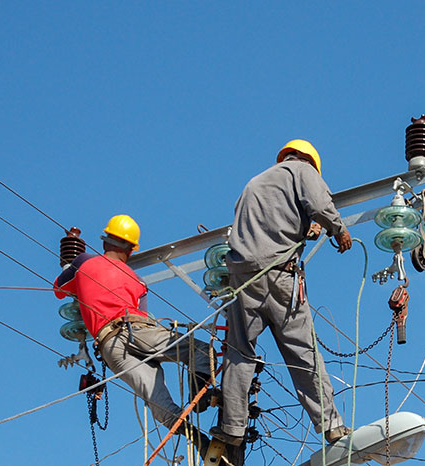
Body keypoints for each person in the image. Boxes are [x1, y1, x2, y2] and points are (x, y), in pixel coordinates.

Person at [212, 140, 353, 446]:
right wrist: (338, 229)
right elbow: (319, 204)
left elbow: (266, 226)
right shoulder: (302, 170)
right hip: (279, 275)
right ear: (308, 161)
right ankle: (330, 423)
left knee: (238, 352)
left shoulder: (255, 182)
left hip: (242, 277)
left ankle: (232, 428)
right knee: (301, 351)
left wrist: (304, 230)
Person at [54, 214, 212, 434]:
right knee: (201, 351)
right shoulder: (139, 282)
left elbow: (60, 289)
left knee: (157, 401)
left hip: (110, 347)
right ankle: (201, 396)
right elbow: (143, 319)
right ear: (131, 250)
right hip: (136, 330)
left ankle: (197, 440)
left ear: (104, 242)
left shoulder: (84, 263)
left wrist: (69, 262)